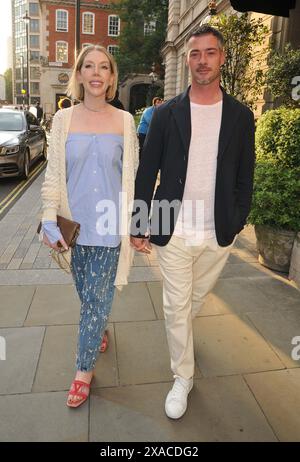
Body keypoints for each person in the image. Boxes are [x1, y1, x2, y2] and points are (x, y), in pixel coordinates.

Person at [130, 25, 255, 419]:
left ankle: (183, 334)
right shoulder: (166, 114)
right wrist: (138, 223)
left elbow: (244, 176)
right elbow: (146, 172)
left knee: (191, 303)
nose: (202, 60)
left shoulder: (240, 116)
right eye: (195, 53)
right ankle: (182, 377)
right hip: (174, 228)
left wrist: (237, 220)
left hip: (218, 231)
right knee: (175, 306)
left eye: (210, 52)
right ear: (187, 60)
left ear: (222, 57)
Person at [40, 44, 139, 408]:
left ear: (112, 77)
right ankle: (97, 326)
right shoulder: (63, 120)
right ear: (79, 75)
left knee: (95, 300)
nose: (97, 73)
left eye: (104, 67)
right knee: (87, 294)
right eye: (89, 66)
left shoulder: (125, 122)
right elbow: (53, 176)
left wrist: (137, 225)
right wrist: (49, 219)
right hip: (75, 228)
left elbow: (132, 177)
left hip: (111, 228)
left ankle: (84, 370)